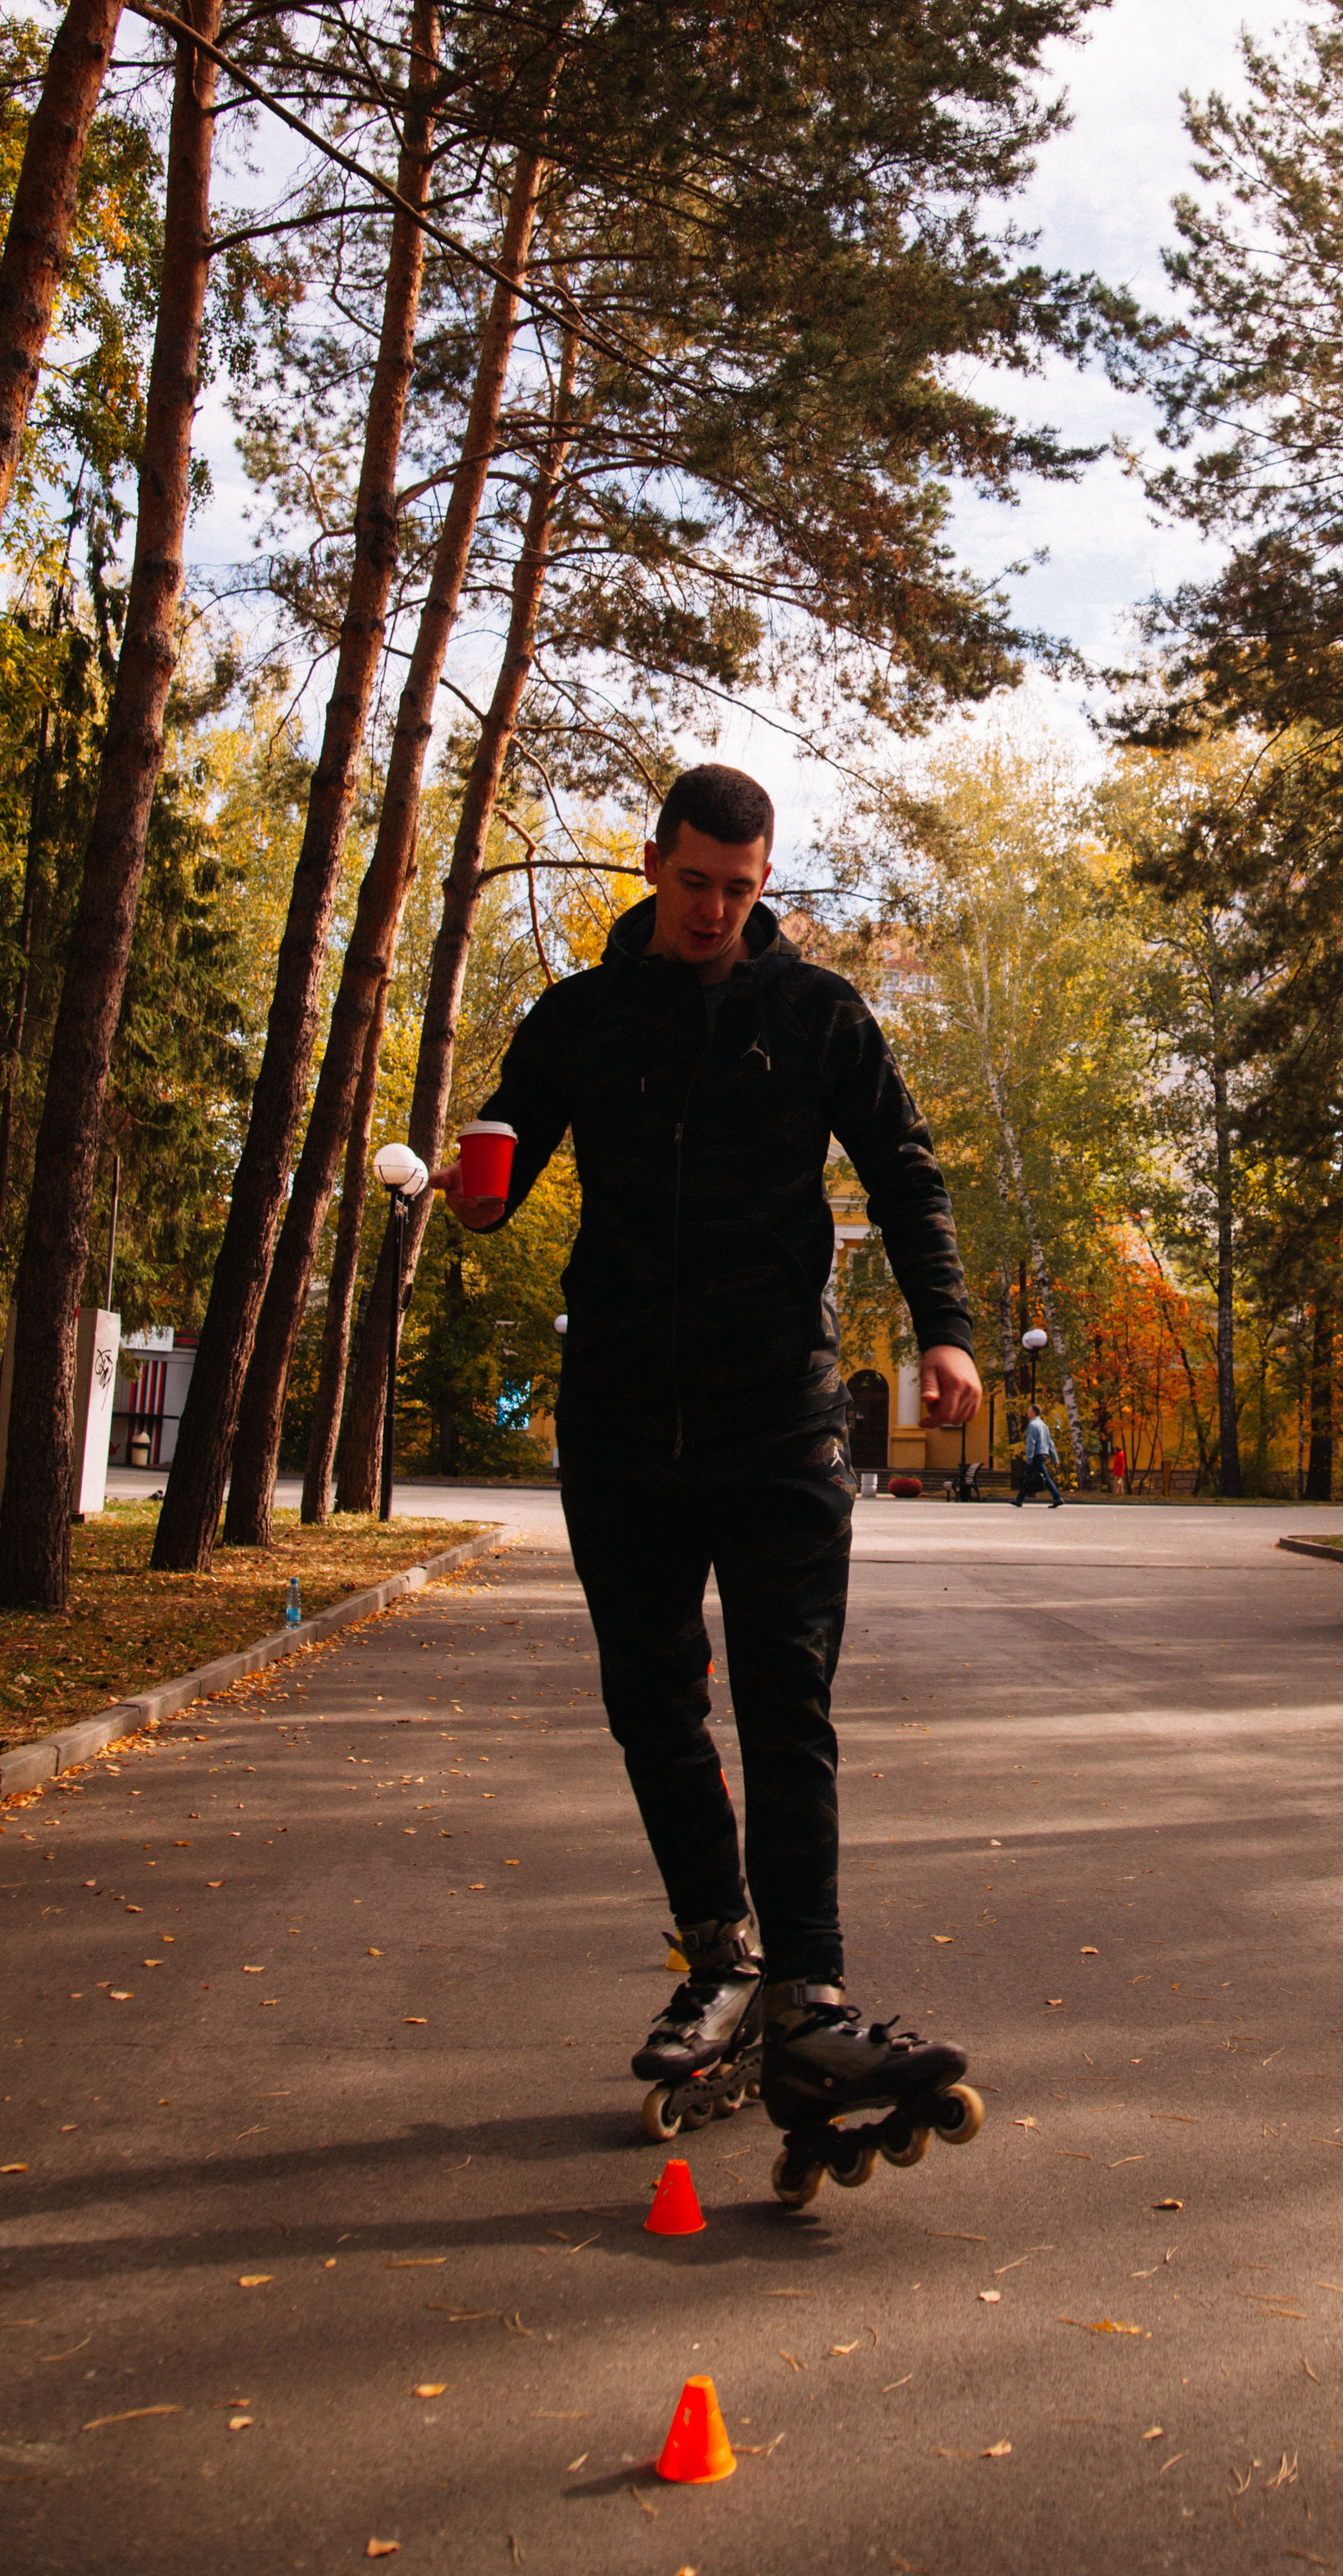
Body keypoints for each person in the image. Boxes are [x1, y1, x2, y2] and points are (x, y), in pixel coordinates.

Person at [434, 762, 987, 2161]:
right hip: (622, 1419)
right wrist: (474, 1187)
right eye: (694, 882)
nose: (714, 909)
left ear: (763, 881)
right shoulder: (580, 1018)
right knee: (651, 1702)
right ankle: (719, 1952)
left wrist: (948, 1332)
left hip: (779, 1415)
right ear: (652, 864)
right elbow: (509, 1145)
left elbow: (905, 1167)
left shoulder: (815, 1017)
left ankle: (809, 1985)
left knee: (788, 1701)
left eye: (740, 888)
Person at [1014, 1406, 1064, 1507]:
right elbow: (1050, 1443)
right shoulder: (1044, 1425)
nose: (1027, 1413)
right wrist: (1055, 1458)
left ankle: (1057, 1497)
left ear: (1033, 1412)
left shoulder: (1033, 1425)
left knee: (1042, 1477)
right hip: (1043, 1454)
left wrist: (1029, 1457)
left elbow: (1031, 1442)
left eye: (1029, 1411)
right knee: (1028, 1475)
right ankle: (1019, 1499)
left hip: (1037, 1455)